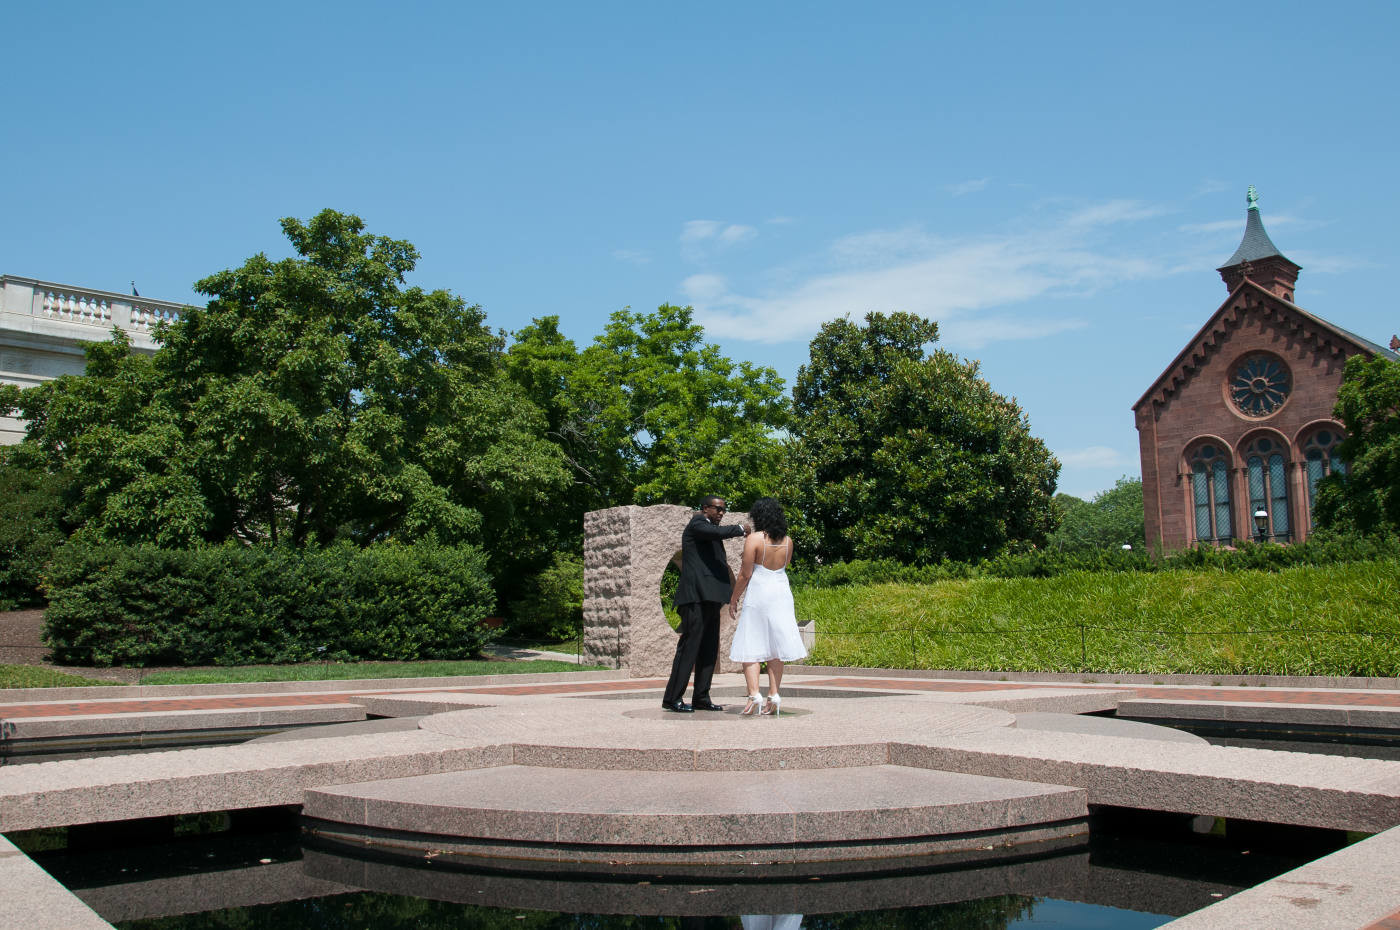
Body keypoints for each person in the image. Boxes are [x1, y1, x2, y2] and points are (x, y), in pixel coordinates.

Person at [662, 495, 748, 713]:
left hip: (710, 599)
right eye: (717, 509)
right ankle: (672, 698)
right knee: (689, 649)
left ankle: (701, 696)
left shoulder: (709, 528)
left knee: (709, 649)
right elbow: (714, 532)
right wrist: (739, 528)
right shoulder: (697, 524)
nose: (721, 513)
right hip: (695, 598)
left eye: (723, 510)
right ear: (705, 508)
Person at [727, 497, 806, 716]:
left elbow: (745, 574)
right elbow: (785, 565)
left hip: (760, 591)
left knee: (751, 641)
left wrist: (734, 599)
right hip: (781, 590)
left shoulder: (754, 539)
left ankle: (754, 695)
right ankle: (774, 694)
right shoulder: (788, 541)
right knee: (776, 644)